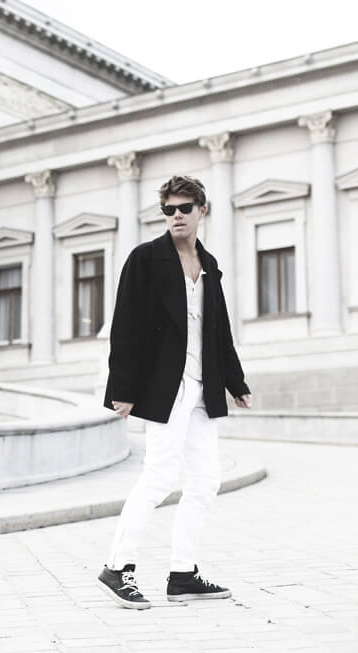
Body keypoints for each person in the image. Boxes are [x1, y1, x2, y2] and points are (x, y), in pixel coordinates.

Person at [97, 175, 252, 610]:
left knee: (205, 480)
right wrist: (123, 388)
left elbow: (219, 331)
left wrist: (236, 383)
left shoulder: (210, 265)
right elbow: (125, 326)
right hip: (166, 386)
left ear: (202, 210)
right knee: (160, 476)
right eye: (169, 209)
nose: (177, 216)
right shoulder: (145, 259)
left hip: (203, 386)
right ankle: (117, 568)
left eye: (185, 208)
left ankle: (183, 574)